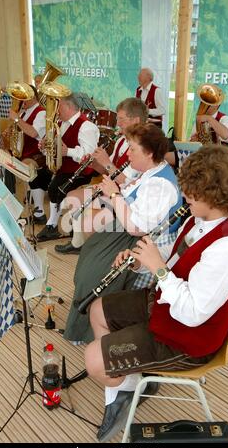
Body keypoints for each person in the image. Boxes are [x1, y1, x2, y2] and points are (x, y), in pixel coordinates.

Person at [84, 144, 228, 442]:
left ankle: (123, 384)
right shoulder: (200, 219)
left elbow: (192, 313)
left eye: (190, 191)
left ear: (212, 196)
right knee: (97, 310)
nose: (184, 195)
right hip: (166, 302)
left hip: (189, 338)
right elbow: (175, 259)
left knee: (93, 360)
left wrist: (159, 269)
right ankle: (128, 382)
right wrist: (142, 261)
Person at [63, 123, 182, 345]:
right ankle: (87, 324)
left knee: (93, 272)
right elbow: (131, 199)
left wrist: (114, 195)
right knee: (88, 260)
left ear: (148, 153)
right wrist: (108, 193)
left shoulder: (160, 185)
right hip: (129, 233)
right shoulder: (150, 172)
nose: (128, 153)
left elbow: (137, 227)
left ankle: (93, 329)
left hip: (142, 241)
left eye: (133, 149)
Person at [55, 97, 148, 254]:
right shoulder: (121, 141)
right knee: (73, 196)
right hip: (112, 189)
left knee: (89, 217)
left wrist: (106, 163)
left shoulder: (143, 145)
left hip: (127, 197)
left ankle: (96, 251)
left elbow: (129, 183)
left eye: (121, 119)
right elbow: (107, 171)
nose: (118, 124)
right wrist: (94, 164)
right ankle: (78, 244)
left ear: (136, 120)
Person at [35, 93, 100, 237]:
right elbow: (53, 149)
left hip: (81, 171)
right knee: (38, 177)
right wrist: (44, 147)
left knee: (55, 188)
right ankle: (46, 218)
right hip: (63, 168)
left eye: (60, 107)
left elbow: (89, 154)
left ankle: (53, 225)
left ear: (69, 107)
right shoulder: (60, 123)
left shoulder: (87, 126)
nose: (57, 110)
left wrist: (67, 151)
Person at [190, 84, 228, 151]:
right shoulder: (200, 119)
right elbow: (193, 141)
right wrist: (193, 141)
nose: (204, 105)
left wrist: (209, 119)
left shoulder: (223, 118)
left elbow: (227, 136)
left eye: (209, 104)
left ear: (216, 105)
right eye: (203, 102)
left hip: (220, 158)